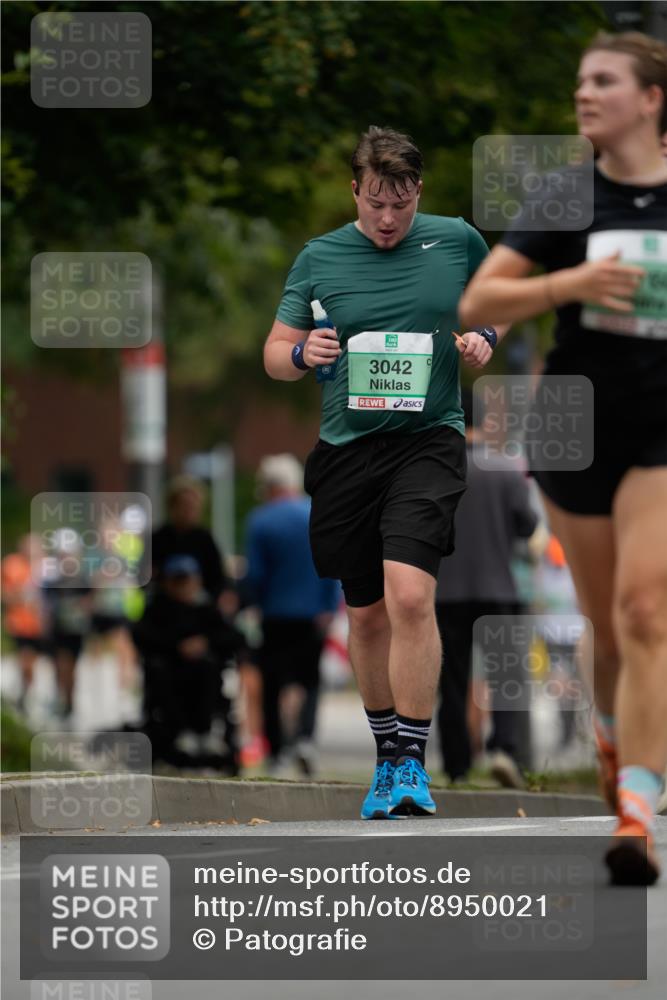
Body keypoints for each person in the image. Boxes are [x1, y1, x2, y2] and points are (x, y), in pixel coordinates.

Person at [459, 32, 667, 884]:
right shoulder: (566, 196)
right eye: (579, 80)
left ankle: (637, 816)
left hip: (661, 425)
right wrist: (566, 287)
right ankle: (614, 740)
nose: (583, 93)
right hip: (576, 427)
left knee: (646, 610)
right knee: (606, 633)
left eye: (603, 81)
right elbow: (478, 297)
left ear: (651, 98)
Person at [264, 126, 504, 818]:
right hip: (346, 451)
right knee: (365, 614)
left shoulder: (457, 240)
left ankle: (410, 763)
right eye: (375, 203)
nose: (388, 218)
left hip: (427, 441)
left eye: (400, 202)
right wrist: (302, 352)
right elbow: (273, 353)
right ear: (355, 192)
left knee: (407, 597)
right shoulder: (319, 258)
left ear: (417, 192)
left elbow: (499, 305)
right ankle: (384, 756)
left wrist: (484, 338)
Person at [435, 388, 538, 787]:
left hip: (448, 592)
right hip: (500, 589)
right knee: (506, 677)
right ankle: (504, 750)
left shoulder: (440, 470)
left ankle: (457, 765)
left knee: (452, 682)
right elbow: (527, 526)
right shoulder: (507, 470)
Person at [244, 453, 341, 776]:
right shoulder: (317, 514)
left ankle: (277, 751)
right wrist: (329, 607)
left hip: (275, 614)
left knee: (273, 682)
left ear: (270, 487)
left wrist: (254, 603)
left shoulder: (260, 520)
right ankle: (305, 739)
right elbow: (332, 565)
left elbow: (255, 574)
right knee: (310, 679)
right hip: (313, 614)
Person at [133, 555, 244, 770]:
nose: (183, 586)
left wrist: (205, 643)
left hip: (205, 677)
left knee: (209, 668)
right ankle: (181, 733)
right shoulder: (158, 608)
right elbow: (142, 636)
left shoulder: (207, 610)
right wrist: (177, 646)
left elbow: (235, 638)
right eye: (178, 581)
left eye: (187, 580)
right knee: (160, 672)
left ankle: (206, 731)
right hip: (169, 676)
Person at [151, 476, 236, 611]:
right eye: (184, 505)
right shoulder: (157, 539)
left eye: (193, 506)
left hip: (199, 608)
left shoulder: (205, 539)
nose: (188, 511)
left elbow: (218, 578)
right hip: (163, 609)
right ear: (172, 507)